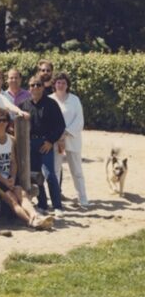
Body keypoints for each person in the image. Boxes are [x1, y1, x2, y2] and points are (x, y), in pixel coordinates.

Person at [0, 108, 53, 230]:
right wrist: (4, 181)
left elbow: (14, 162)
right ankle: (30, 222)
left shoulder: (11, 139)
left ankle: (35, 216)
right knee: (13, 201)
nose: (1, 123)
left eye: (4, 120)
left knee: (23, 195)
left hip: (8, 177)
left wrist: (12, 178)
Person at [21, 73, 67, 215]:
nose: (35, 87)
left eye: (38, 85)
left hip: (45, 143)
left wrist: (50, 141)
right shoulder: (24, 105)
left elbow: (60, 125)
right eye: (32, 85)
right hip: (29, 144)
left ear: (43, 87)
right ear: (29, 88)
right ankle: (42, 204)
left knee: (50, 175)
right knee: (36, 176)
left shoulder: (51, 104)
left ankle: (57, 206)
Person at [51, 72, 89, 208]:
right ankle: (55, 200)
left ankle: (83, 198)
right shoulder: (50, 99)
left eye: (63, 83)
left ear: (67, 85)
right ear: (54, 84)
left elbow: (79, 121)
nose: (60, 85)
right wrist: (57, 136)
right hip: (55, 140)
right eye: (58, 82)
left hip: (72, 139)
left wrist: (65, 133)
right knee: (54, 170)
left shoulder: (74, 100)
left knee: (77, 170)